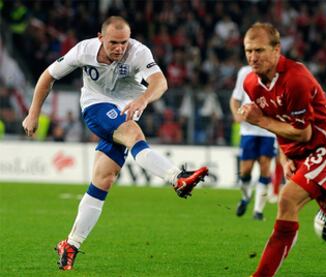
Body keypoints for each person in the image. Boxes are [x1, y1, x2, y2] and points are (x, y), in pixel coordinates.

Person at [22, 16, 209, 271]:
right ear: (101, 38)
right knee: (134, 135)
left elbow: (160, 82)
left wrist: (143, 100)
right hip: (96, 106)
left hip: (128, 107)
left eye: (124, 42)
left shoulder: (138, 52)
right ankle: (177, 178)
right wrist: (33, 113)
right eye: (113, 43)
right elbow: (47, 77)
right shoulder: (83, 50)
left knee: (104, 177)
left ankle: (71, 243)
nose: (120, 48)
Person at [238, 22, 326, 276]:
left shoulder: (295, 78)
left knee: (287, 199)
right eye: (248, 51)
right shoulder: (251, 84)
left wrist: (260, 121)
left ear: (277, 50)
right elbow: (279, 122)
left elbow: (302, 132)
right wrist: (286, 157)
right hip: (307, 153)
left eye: (260, 50)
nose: (253, 57)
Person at [230, 65, 277, 220]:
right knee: (246, 170)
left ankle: (258, 211)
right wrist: (236, 113)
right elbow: (235, 99)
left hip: (267, 129)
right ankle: (245, 197)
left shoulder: (276, 73)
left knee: (265, 166)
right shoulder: (244, 72)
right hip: (248, 129)